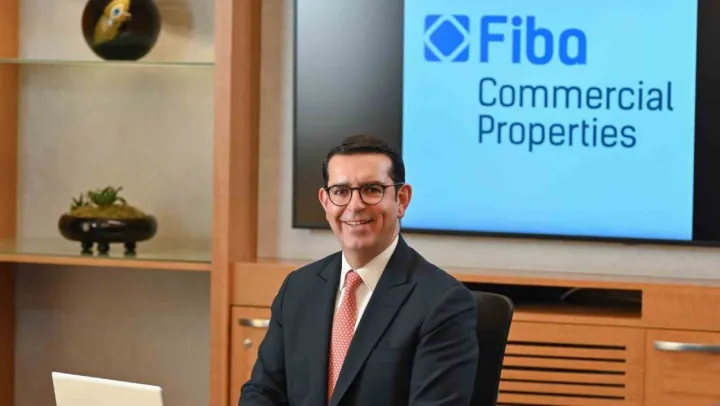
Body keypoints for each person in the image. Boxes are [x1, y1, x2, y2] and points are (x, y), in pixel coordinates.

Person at [239, 134, 479, 406]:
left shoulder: (443, 303)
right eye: (341, 191)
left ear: (401, 200)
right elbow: (262, 391)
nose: (354, 206)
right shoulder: (297, 288)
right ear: (325, 202)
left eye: (372, 189)